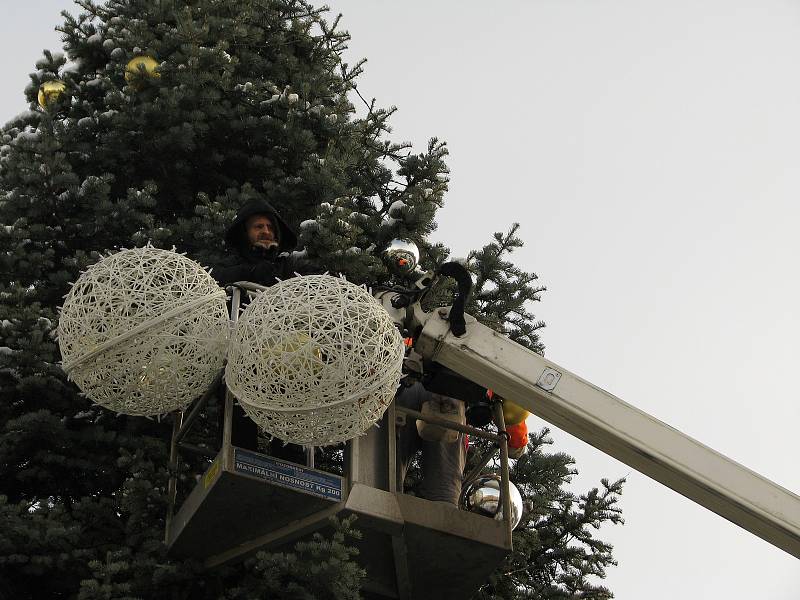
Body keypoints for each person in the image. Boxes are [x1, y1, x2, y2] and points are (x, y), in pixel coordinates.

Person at [213, 197, 307, 459]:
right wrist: (253, 271)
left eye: (269, 226)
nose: (265, 231)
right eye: (258, 227)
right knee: (239, 422)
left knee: (289, 418)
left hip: (286, 359)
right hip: (241, 356)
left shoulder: (290, 269)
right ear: (245, 234)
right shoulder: (228, 266)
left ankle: (292, 465)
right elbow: (214, 281)